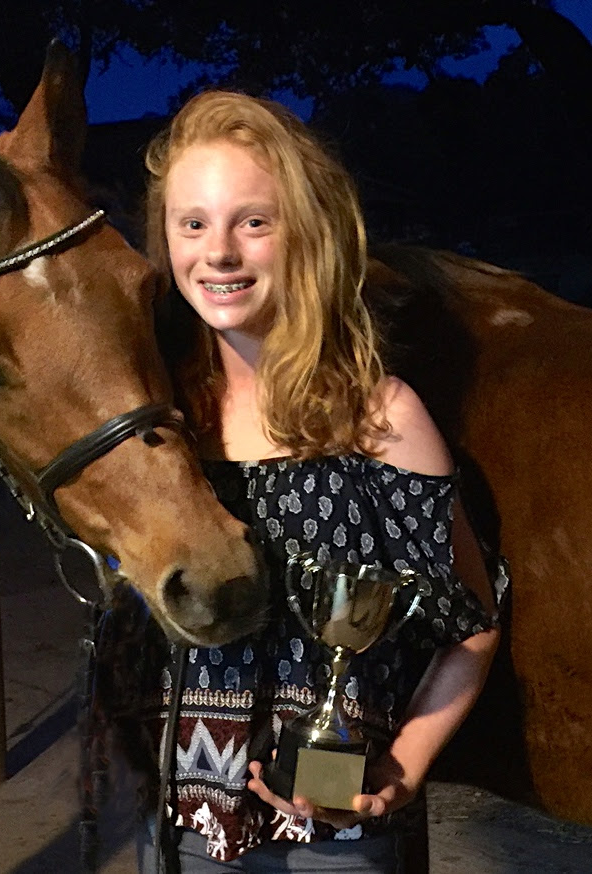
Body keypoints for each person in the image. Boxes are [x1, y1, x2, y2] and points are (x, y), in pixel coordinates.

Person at [112, 89, 500, 873]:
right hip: (181, 824)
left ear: (307, 236)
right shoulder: (163, 426)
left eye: (253, 222)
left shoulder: (380, 422)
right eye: (193, 224)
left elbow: (474, 623)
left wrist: (405, 765)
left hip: (336, 839)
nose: (218, 252)